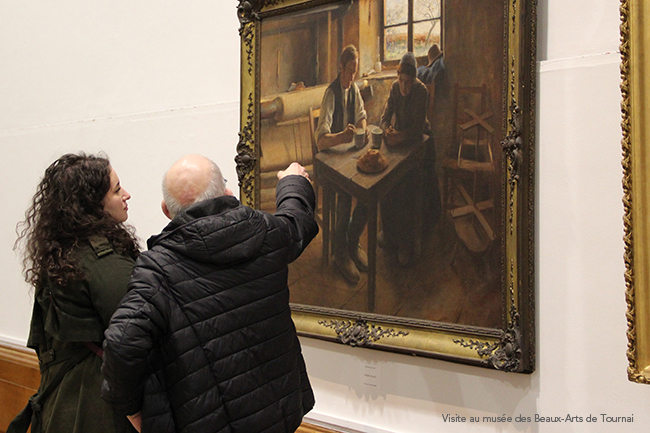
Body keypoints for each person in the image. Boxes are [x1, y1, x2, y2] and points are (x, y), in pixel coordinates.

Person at [101, 155, 319, 433]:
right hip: (277, 413)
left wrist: (131, 409)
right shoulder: (268, 233)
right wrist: (293, 182)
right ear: (227, 194)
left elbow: (121, 344)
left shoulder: (156, 270)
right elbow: (297, 218)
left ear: (167, 210)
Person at [9, 153, 139, 433]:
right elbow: (136, 334)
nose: (126, 195)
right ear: (92, 204)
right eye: (116, 190)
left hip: (65, 400)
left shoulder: (64, 251)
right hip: (95, 408)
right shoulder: (102, 260)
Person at [380, 52, 441, 265]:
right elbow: (384, 117)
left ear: (414, 79)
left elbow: (416, 129)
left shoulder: (421, 91)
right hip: (399, 142)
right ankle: (390, 235)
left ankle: (408, 244)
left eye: (408, 82)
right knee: (387, 182)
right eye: (401, 81)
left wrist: (400, 136)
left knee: (410, 188)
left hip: (421, 143)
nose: (404, 87)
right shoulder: (395, 89)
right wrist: (387, 129)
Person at [314, 44, 369, 284]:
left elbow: (362, 116)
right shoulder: (331, 94)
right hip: (329, 164)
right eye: (349, 72)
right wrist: (343, 137)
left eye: (355, 72)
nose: (352, 77)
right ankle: (340, 254)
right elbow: (320, 142)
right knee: (346, 195)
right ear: (340, 68)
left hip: (347, 157)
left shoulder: (354, 89)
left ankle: (351, 240)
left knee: (368, 193)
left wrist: (363, 130)